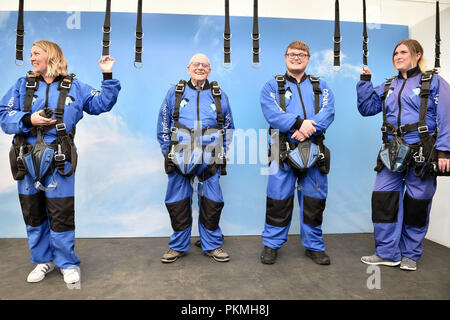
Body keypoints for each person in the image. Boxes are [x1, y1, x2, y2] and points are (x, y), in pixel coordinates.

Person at [0, 40, 121, 284]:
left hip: (59, 159)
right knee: (33, 212)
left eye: (36, 53)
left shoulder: (74, 86)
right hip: (26, 159)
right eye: (30, 53)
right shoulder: (22, 85)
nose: (31, 58)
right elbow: (4, 115)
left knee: (61, 212)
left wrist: (107, 75)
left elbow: (101, 104)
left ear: (52, 55)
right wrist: (28, 119)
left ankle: (66, 263)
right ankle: (42, 260)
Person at [357, 39, 450, 271]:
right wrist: (365, 82)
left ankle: (410, 254)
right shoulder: (389, 85)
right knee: (383, 200)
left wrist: (444, 152)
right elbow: (366, 108)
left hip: (423, 151)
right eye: (395, 53)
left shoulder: (433, 82)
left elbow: (447, 117)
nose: (398, 56)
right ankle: (387, 252)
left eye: (403, 52)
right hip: (392, 151)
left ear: (417, 55)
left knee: (417, 204)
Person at [259, 41, 335, 265]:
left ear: (308, 58)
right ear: (285, 57)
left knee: (314, 201)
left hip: (314, 150)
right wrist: (300, 124)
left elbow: (328, 112)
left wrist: (307, 130)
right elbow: (272, 114)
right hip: (280, 150)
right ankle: (271, 245)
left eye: (302, 54)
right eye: (292, 54)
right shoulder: (272, 86)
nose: (296, 57)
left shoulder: (321, 86)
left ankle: (314, 246)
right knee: (277, 200)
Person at [157, 53, 234, 263]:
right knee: (178, 202)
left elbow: (228, 127)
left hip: (210, 158)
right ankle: (178, 246)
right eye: (196, 64)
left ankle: (212, 245)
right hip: (180, 156)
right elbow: (163, 124)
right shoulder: (175, 93)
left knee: (212, 202)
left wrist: (221, 151)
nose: (200, 68)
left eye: (205, 65)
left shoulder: (219, 95)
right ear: (188, 68)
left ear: (209, 70)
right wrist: (169, 152)